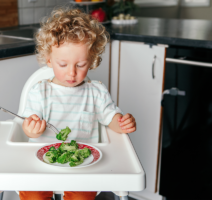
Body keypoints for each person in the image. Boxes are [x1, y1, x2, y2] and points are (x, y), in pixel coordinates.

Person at [20, 7, 136, 200]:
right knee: (32, 194)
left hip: (83, 164)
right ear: (49, 60)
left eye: (80, 65)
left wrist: (122, 122)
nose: (71, 73)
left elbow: (111, 117)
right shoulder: (40, 92)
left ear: (91, 61)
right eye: (63, 65)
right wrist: (32, 129)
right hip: (42, 163)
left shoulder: (96, 92)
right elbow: (27, 125)